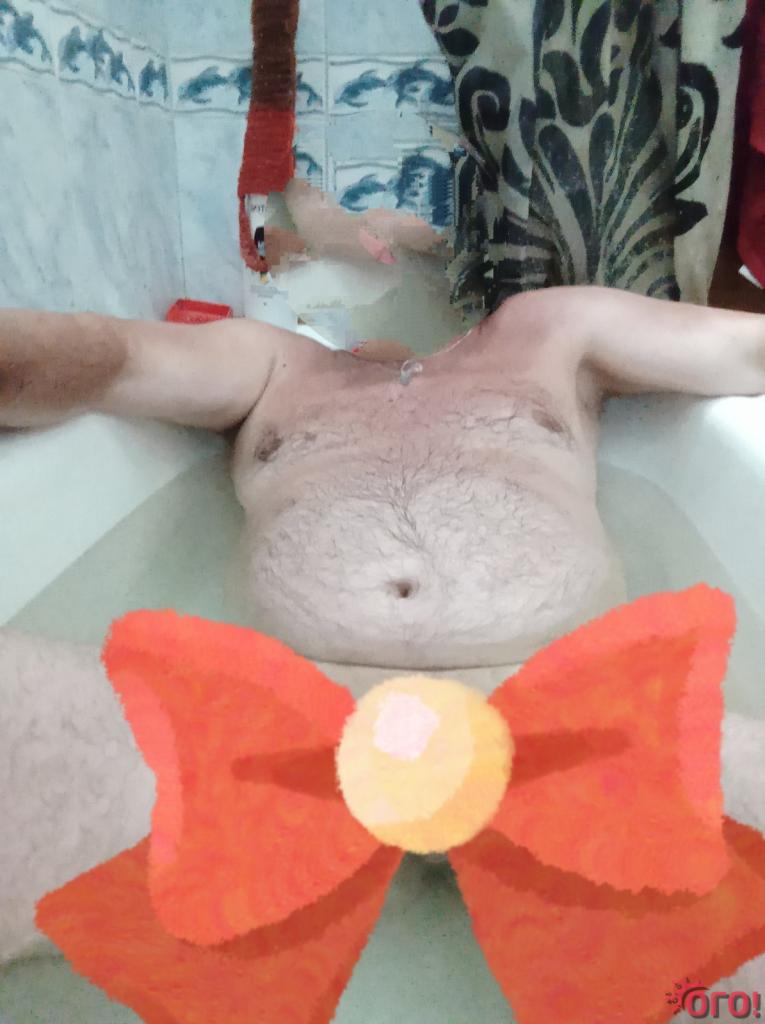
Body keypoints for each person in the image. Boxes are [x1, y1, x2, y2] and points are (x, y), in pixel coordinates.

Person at [2, 287, 765, 1001]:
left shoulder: (548, 329)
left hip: (572, 731)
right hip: (276, 739)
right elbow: (111, 358)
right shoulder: (273, 361)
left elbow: (744, 349)